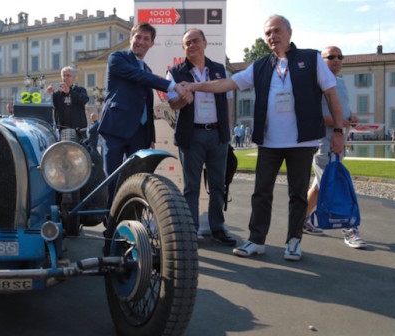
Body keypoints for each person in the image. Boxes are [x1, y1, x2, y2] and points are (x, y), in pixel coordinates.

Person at [185, 15, 346, 261]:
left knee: (298, 194)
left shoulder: (311, 59)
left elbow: (332, 96)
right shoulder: (260, 65)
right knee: (261, 193)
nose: (273, 36)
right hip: (269, 142)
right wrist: (196, 87)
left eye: (277, 31)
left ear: (290, 33)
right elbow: (227, 83)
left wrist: (337, 131)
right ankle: (256, 240)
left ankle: (293, 241)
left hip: (302, 142)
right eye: (268, 33)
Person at [98, 22, 191, 204]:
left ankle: (132, 218)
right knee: (113, 179)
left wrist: (151, 135)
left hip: (140, 134)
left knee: (138, 179)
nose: (141, 41)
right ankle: (110, 223)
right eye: (137, 37)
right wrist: (172, 85)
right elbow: (138, 76)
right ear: (131, 38)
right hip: (115, 129)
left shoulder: (147, 70)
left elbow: (148, 106)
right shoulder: (117, 58)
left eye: (146, 38)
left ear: (151, 44)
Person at [166, 28, 236, 245]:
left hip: (217, 135)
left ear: (205, 43)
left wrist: (228, 129)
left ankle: (218, 228)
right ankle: (191, 230)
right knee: (191, 187)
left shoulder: (219, 69)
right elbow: (172, 103)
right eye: (187, 43)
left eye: (196, 41)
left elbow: (228, 100)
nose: (192, 45)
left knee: (217, 185)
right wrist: (183, 99)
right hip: (192, 136)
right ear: (184, 48)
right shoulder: (175, 72)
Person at [302, 46, 365, 248]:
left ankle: (301, 219)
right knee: (335, 184)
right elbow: (311, 115)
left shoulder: (340, 82)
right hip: (324, 142)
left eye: (340, 56)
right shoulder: (315, 83)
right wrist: (337, 122)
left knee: (319, 186)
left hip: (339, 140)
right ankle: (350, 228)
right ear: (322, 60)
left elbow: (341, 108)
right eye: (331, 57)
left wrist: (350, 117)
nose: (337, 59)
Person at [47, 66, 89, 138]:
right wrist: (48, 94)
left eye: (68, 75)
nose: (65, 78)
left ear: (74, 78)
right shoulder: (57, 93)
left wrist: (69, 92)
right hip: (62, 130)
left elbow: (84, 100)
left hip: (78, 131)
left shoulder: (80, 90)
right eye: (64, 75)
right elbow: (50, 106)